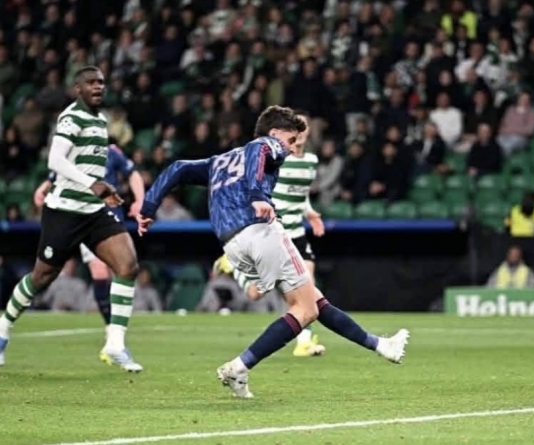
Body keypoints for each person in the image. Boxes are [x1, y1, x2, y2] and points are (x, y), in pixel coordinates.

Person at [137, 106, 409, 398]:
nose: (292, 148)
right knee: (306, 309)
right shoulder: (265, 145)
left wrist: (148, 207)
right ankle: (240, 366)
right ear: (275, 133)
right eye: (291, 140)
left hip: (232, 243)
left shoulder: (221, 161)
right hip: (261, 232)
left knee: (313, 301)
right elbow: (261, 150)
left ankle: (381, 346)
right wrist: (257, 195)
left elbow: (178, 168)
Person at [0, 66, 143, 371]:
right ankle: (3, 328)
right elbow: (55, 160)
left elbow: (87, 164)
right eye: (91, 83)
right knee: (42, 277)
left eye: (101, 82)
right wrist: (92, 184)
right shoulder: (71, 117)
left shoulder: (100, 120)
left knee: (128, 265)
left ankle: (115, 344)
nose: (98, 87)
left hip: (93, 210)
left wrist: (103, 191)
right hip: (64, 211)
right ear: (77, 89)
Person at [213, 111, 327, 357]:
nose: (300, 135)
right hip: (275, 231)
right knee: (256, 293)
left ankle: (304, 342)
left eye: (304, 129)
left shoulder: (311, 161)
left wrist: (310, 213)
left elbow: (301, 194)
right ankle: (231, 265)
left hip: (297, 232)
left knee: (308, 286)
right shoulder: (276, 158)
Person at [33, 142, 145, 356]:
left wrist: (139, 200)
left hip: (110, 221)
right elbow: (56, 174)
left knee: (122, 271)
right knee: (99, 271)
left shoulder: (112, 151)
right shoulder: (72, 152)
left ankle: (117, 329)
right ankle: (111, 329)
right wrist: (43, 188)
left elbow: (133, 173)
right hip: (84, 220)